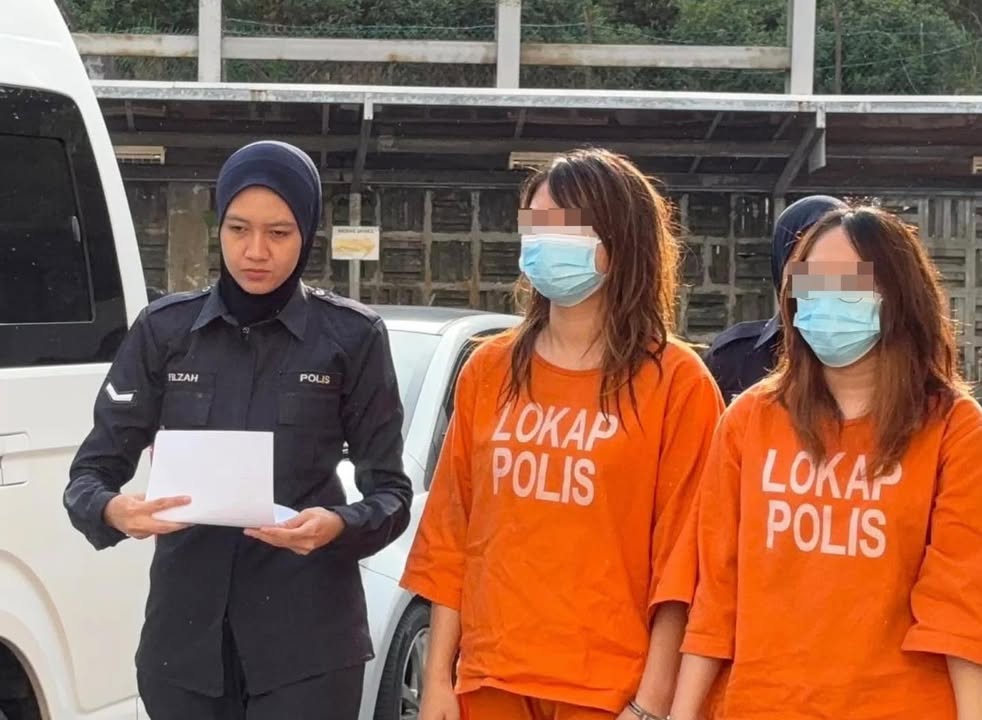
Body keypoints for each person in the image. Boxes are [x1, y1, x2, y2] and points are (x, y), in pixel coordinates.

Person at [64, 141, 413, 720]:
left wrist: (338, 525)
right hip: (185, 650)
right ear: (219, 227)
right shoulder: (164, 331)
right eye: (238, 229)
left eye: (279, 233)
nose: (255, 251)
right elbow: (90, 473)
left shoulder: (352, 338)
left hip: (308, 650)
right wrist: (113, 510)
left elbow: (392, 495)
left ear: (307, 234)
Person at [400, 148, 724, 720]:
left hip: (609, 692)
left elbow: (684, 565)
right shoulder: (488, 369)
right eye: (536, 226)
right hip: (490, 679)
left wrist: (650, 704)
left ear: (621, 239)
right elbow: (451, 535)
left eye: (567, 226)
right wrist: (438, 682)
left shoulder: (678, 383)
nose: (546, 243)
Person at [668, 207, 982, 720]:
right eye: (811, 283)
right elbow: (716, 596)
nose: (826, 298)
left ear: (898, 295)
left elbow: (961, 610)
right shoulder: (749, 419)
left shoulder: (954, 428)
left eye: (849, 282)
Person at [703, 195, 846, 404]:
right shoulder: (733, 357)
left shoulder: (879, 357)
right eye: (805, 263)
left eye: (839, 266)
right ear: (782, 267)